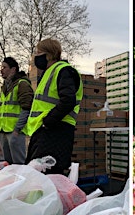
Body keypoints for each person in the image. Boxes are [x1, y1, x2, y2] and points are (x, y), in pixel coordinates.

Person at [25, 38, 83, 175]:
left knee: (46, 176)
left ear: (48, 55)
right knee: (38, 174)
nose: (35, 56)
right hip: (45, 130)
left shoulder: (64, 71)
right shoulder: (51, 72)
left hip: (55, 131)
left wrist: (48, 121)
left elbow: (68, 100)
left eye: (38, 53)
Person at [0, 57, 34, 164]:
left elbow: (27, 108)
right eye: (1, 67)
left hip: (15, 132)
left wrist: (17, 130)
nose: (1, 70)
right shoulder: (5, 87)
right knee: (8, 165)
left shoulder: (22, 84)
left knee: (19, 165)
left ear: (13, 69)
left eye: (4, 67)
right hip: (4, 131)